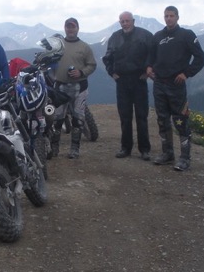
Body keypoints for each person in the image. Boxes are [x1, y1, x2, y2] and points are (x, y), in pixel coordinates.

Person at [146, 5, 204, 171]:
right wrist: (149, 67)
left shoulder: (186, 35)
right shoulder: (157, 36)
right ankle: (167, 154)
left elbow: (200, 58)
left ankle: (185, 158)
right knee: (162, 120)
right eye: (166, 16)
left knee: (181, 121)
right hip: (159, 83)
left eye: (171, 16)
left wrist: (187, 73)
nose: (168, 19)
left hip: (177, 85)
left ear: (177, 17)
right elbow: (151, 56)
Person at [101, 11, 153, 160]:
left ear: (133, 21)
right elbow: (107, 58)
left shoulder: (145, 35)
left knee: (141, 116)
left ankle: (144, 149)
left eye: (127, 21)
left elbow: (152, 54)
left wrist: (147, 70)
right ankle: (126, 148)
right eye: (122, 21)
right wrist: (112, 72)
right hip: (122, 81)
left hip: (139, 80)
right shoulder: (115, 37)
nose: (125, 23)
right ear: (119, 23)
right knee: (125, 116)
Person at [49, 17, 97, 159]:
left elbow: (92, 65)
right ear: (64, 28)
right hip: (59, 87)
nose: (70, 29)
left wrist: (81, 72)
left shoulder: (84, 47)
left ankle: (74, 149)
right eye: (68, 27)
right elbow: (48, 61)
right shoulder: (57, 46)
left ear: (77, 28)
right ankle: (54, 147)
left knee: (78, 118)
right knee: (57, 119)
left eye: (73, 27)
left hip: (79, 87)